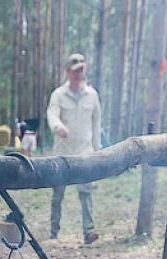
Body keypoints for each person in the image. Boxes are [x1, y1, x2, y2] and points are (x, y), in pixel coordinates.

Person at [46, 53, 101, 244]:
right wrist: (58, 126)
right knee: (58, 193)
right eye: (75, 71)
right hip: (63, 152)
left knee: (85, 191)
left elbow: (96, 124)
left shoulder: (92, 95)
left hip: (85, 151)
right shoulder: (59, 95)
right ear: (68, 72)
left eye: (82, 70)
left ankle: (89, 231)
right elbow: (52, 114)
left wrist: (97, 150)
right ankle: (54, 232)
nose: (79, 74)